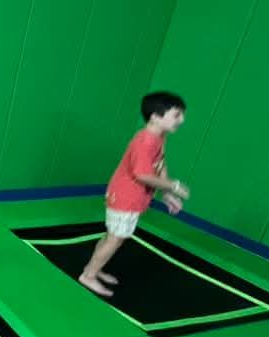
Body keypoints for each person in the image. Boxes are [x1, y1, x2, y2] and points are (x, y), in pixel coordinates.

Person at [79, 91, 191, 296]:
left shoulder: (160, 136)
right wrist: (174, 186)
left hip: (135, 198)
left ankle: (94, 268)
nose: (182, 120)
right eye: (177, 115)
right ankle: (89, 275)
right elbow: (142, 174)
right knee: (115, 238)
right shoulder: (145, 142)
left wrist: (166, 192)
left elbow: (160, 163)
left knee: (114, 237)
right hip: (125, 197)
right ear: (156, 117)